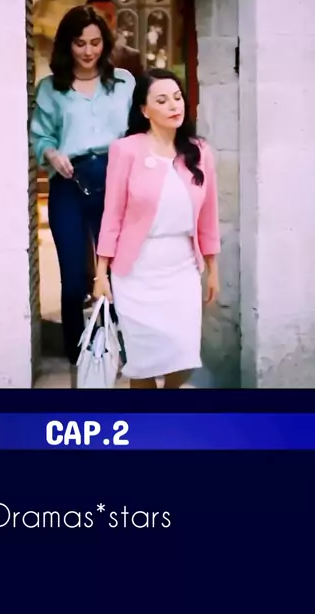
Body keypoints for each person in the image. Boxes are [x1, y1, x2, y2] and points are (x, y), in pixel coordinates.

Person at [93, 68, 220, 389]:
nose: (174, 105)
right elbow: (112, 214)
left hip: (181, 268)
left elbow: (208, 215)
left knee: (183, 355)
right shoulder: (125, 150)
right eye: (162, 100)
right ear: (145, 110)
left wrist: (212, 270)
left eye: (177, 97)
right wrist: (101, 274)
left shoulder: (199, 151)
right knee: (143, 363)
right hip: (136, 271)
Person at [29, 5, 135, 377]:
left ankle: (120, 351)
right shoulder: (51, 88)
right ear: (67, 45)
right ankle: (81, 361)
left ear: (105, 43)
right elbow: (40, 136)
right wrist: (51, 154)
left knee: (119, 273)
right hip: (69, 183)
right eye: (79, 43)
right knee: (74, 279)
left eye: (95, 42)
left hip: (115, 182)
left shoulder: (123, 83)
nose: (88, 51)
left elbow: (138, 132)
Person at [86, 0, 144, 78]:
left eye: (108, 17)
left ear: (115, 19)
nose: (103, 22)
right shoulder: (72, 53)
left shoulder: (131, 57)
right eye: (97, 17)